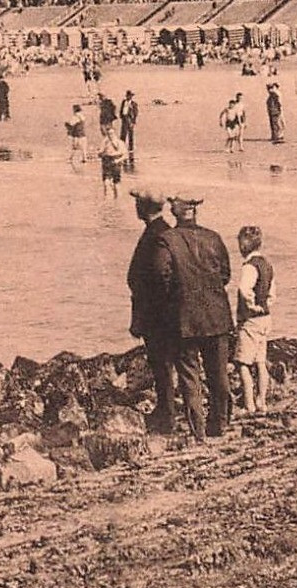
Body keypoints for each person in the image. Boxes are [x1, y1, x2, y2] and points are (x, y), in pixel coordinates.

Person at [160, 193, 235, 440]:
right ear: (195, 210)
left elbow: (163, 278)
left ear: (173, 211)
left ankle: (199, 431)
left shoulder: (166, 240)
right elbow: (225, 274)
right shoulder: (213, 237)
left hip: (185, 319)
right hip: (217, 315)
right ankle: (220, 423)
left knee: (189, 375)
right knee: (219, 373)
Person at [126, 187, 178, 435]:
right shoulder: (162, 231)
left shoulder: (157, 234)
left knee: (162, 362)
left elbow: (157, 278)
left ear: (144, 208)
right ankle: (166, 408)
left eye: (138, 203)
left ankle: (167, 414)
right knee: (162, 362)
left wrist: (143, 316)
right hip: (159, 312)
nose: (134, 206)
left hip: (157, 314)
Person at [231, 225, 275, 415]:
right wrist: (265, 304)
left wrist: (250, 305)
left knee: (243, 363)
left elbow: (243, 289)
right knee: (260, 361)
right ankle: (262, 402)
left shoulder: (249, 266)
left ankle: (248, 404)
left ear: (244, 244)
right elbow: (273, 292)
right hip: (265, 318)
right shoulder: (266, 264)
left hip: (251, 320)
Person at [97, 123, 125, 199]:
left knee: (116, 183)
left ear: (115, 133)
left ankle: (117, 199)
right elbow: (99, 153)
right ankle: (106, 199)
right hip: (106, 164)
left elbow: (125, 155)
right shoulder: (104, 142)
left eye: (112, 133)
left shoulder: (119, 142)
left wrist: (118, 159)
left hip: (116, 164)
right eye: (109, 134)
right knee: (106, 183)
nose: (110, 135)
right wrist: (101, 153)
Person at [119, 91, 139, 157]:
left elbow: (136, 113)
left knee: (130, 135)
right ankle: (122, 148)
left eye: (130, 96)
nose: (128, 97)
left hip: (130, 120)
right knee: (123, 135)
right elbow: (121, 110)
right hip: (124, 119)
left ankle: (131, 148)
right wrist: (121, 116)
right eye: (128, 96)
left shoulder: (133, 104)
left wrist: (133, 122)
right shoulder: (123, 102)